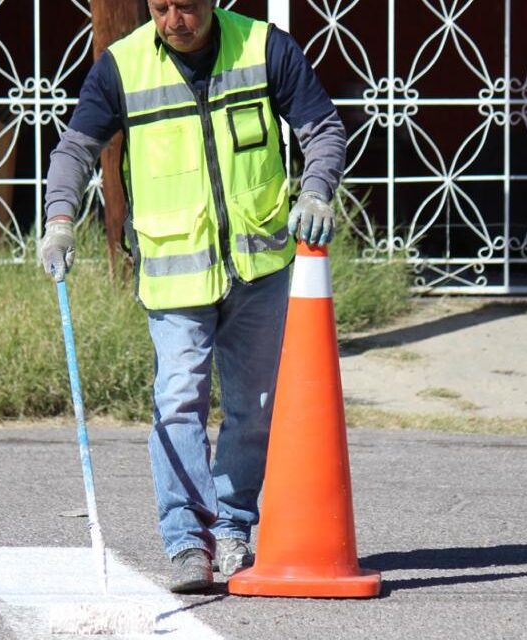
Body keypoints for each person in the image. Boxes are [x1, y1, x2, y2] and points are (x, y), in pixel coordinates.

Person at [39, 0, 346, 593]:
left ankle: (233, 528)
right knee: (179, 398)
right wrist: (59, 220)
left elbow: (322, 128)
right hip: (175, 273)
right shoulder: (122, 67)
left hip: (259, 268)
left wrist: (316, 191)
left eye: (187, 7)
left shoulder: (264, 48)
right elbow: (75, 150)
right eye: (161, 8)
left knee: (254, 407)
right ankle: (186, 541)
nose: (176, 20)